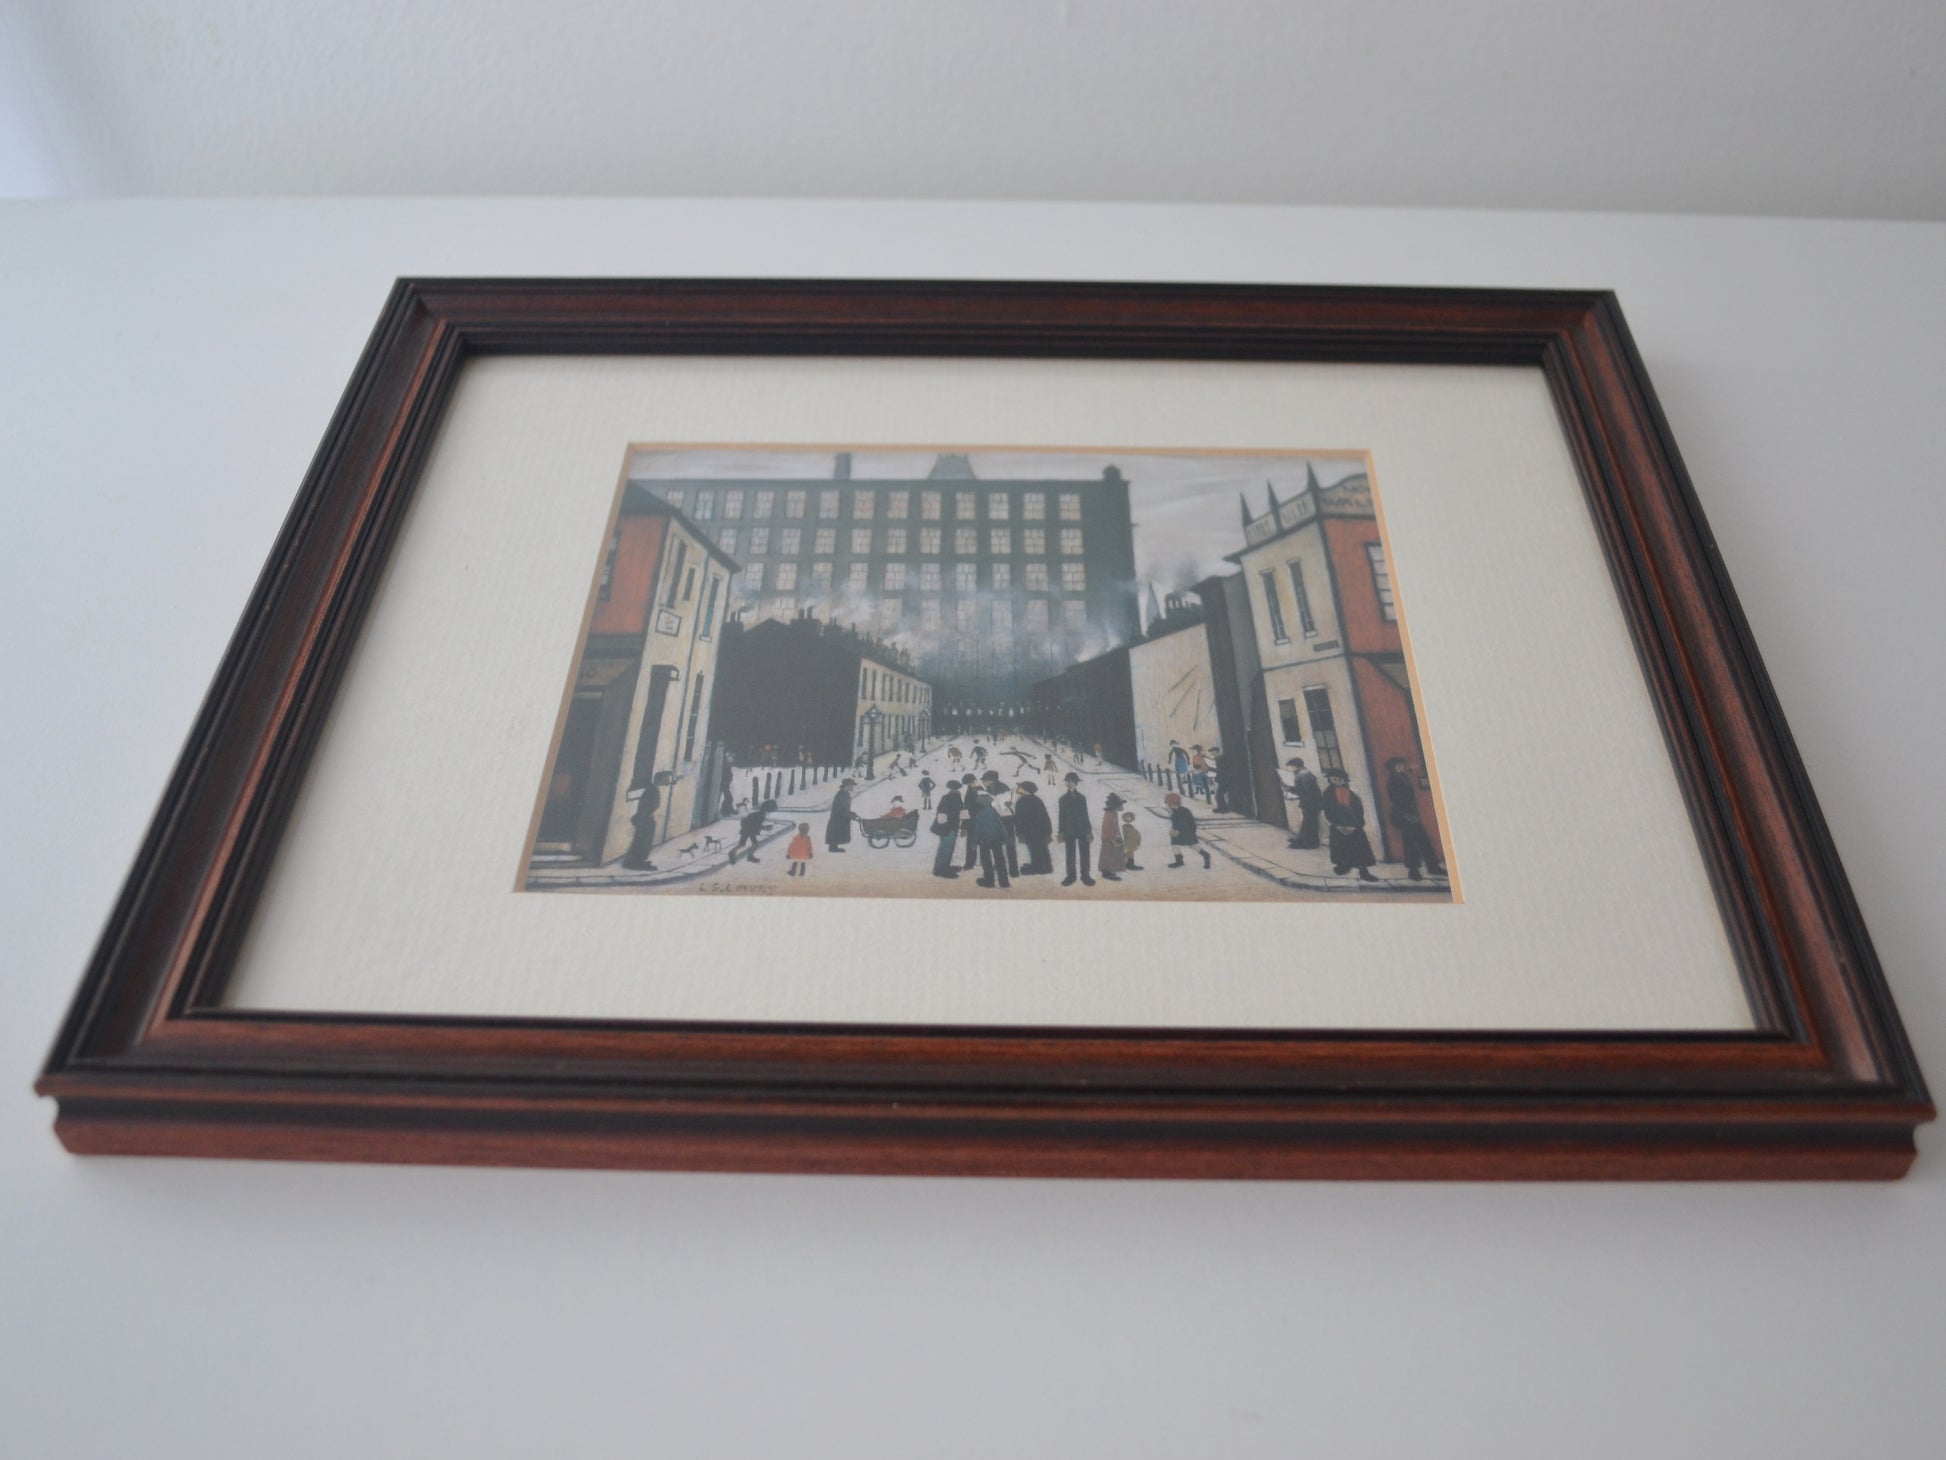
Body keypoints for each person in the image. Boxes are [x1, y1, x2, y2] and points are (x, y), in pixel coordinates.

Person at [1385, 757, 1447, 881]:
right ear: (1394, 768)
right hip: (1404, 815)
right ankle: (1414, 871)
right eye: (1399, 765)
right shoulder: (1393, 780)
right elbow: (1397, 800)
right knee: (1410, 843)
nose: (1402, 766)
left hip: (1410, 814)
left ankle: (1432, 867)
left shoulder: (1402, 777)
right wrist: (1408, 815)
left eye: (1402, 764)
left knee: (1422, 841)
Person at [1323, 769, 1379, 881]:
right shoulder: (1328, 794)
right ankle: (1343, 866)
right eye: (1333, 779)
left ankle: (1363, 871)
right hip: (1338, 826)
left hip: (1354, 826)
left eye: (1338, 779)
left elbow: (1359, 812)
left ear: (1343, 779)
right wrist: (1339, 825)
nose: (1336, 781)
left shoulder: (1352, 794)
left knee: (1359, 849)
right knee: (1341, 848)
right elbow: (1328, 811)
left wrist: (1356, 825)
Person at [1057, 772, 1095, 887]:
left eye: (1072, 782)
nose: (1070, 784)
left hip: (1082, 829)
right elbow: (1061, 817)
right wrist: (1061, 831)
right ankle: (1071, 876)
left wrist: (1089, 830)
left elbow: (1085, 815)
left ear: (1076, 783)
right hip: (1069, 829)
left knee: (1085, 853)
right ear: (1066, 783)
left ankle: (1085, 875)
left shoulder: (1082, 798)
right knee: (1070, 853)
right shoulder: (1062, 799)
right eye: (1068, 781)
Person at [981, 770, 1019, 877]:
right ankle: (1011, 869)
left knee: (1003, 844)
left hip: (1003, 819)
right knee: (1007, 845)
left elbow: (999, 805)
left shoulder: (998, 789)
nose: (984, 783)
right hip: (1005, 818)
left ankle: (1010, 869)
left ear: (990, 780)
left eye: (985, 781)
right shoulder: (1001, 788)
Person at [970, 792, 1012, 889]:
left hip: (984, 840)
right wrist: (1005, 838)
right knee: (1000, 860)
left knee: (986, 860)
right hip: (996, 839)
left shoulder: (980, 813)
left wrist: (974, 842)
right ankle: (1004, 882)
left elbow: (977, 829)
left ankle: (989, 881)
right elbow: (1000, 826)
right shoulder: (993, 811)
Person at [619, 778, 663, 870]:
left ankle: (638, 861)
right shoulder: (652, 789)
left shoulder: (652, 788)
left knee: (643, 842)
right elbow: (648, 805)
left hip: (646, 817)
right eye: (665, 779)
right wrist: (648, 817)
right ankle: (635, 862)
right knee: (642, 842)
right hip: (645, 818)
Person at [1013, 781, 1053, 874]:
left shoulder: (1021, 801)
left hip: (1029, 831)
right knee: (1042, 848)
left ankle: (1039, 868)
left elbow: (1019, 819)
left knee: (1034, 850)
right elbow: (1045, 816)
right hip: (1040, 830)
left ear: (1025, 789)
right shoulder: (1037, 800)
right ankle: (1047, 867)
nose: (1017, 788)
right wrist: (1048, 831)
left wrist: (1019, 832)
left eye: (1020, 787)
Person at [1165, 791, 1212, 868]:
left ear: (1171, 803)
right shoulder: (1183, 810)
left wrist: (1174, 833)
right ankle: (1205, 855)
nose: (1167, 804)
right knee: (1192, 845)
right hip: (1187, 832)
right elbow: (1191, 822)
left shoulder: (1176, 812)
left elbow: (1177, 824)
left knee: (1177, 845)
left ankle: (1180, 861)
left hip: (1182, 833)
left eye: (1167, 802)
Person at [1286, 757, 1322, 850]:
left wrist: (1290, 789)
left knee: (1310, 822)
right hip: (1311, 802)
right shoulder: (1304, 773)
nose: (1291, 769)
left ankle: (1309, 843)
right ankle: (1307, 841)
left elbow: (1306, 790)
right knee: (1310, 822)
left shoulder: (1304, 774)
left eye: (1291, 767)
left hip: (1310, 802)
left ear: (1295, 766)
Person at [728, 798, 777, 865]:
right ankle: (749, 856)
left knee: (742, 844)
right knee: (755, 844)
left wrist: (764, 827)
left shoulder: (759, 813)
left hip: (747, 829)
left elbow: (752, 822)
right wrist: (765, 827)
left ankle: (732, 852)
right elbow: (757, 825)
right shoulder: (761, 815)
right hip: (750, 830)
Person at [931, 779, 964, 878]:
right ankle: (940, 870)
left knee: (948, 848)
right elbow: (942, 813)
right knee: (945, 848)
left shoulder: (955, 797)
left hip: (951, 827)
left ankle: (944, 866)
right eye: (955, 789)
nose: (956, 790)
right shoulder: (949, 798)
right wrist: (945, 828)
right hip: (948, 828)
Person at [1097, 792, 1127, 880]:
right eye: (1120, 805)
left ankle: (1109, 871)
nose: (1122, 807)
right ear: (1116, 805)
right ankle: (1106, 873)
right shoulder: (1109, 814)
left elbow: (1115, 826)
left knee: (1112, 855)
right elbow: (1107, 828)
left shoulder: (1113, 813)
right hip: (1109, 839)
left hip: (1112, 838)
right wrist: (1113, 839)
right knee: (1108, 855)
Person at [826, 777, 858, 852]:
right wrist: (849, 814)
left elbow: (844, 807)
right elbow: (842, 807)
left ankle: (833, 847)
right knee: (837, 831)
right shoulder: (843, 794)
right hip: (838, 817)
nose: (852, 787)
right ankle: (833, 848)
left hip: (839, 816)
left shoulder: (844, 793)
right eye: (851, 785)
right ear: (847, 786)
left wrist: (850, 813)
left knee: (837, 831)